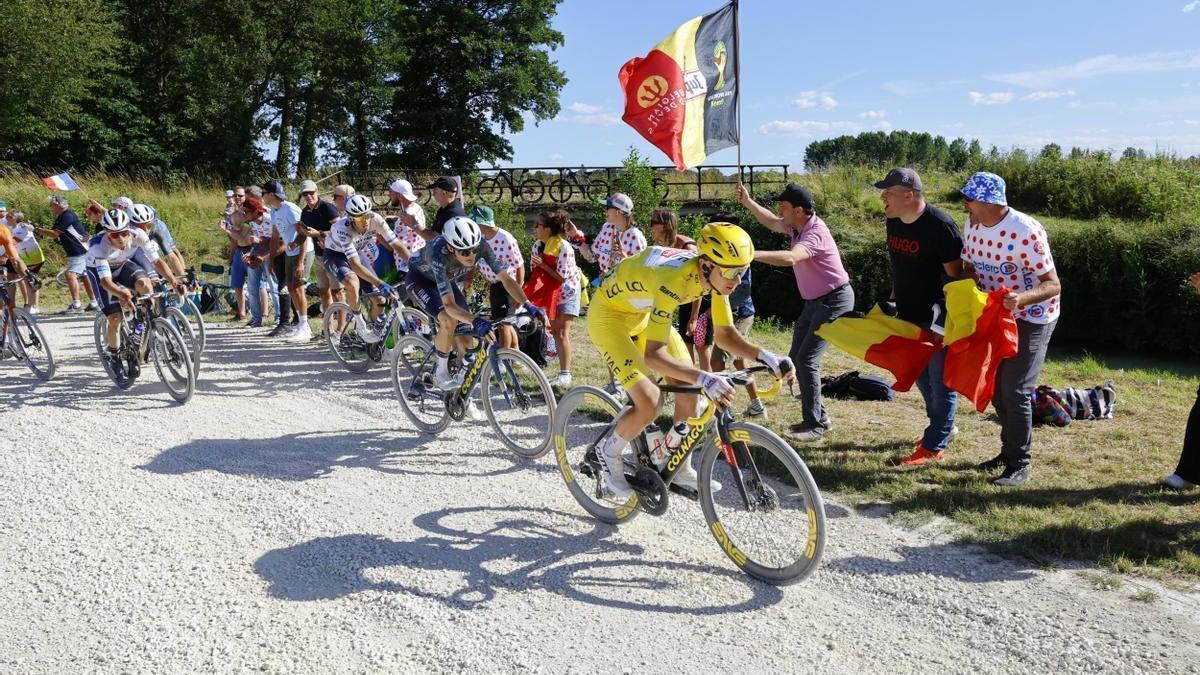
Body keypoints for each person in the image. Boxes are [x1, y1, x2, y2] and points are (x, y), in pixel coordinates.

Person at [588, 222, 795, 498]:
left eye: (743, 271)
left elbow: (725, 335)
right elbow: (654, 355)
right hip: (609, 318)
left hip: (641, 316)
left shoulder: (714, 279)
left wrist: (768, 357)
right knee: (650, 401)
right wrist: (705, 376)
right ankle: (608, 451)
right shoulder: (673, 280)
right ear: (707, 264)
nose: (737, 279)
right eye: (732, 271)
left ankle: (680, 467)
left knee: (690, 390)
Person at [958, 172, 1062, 486]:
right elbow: (969, 265)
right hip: (995, 317)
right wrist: (969, 289)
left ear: (989, 202)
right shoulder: (972, 223)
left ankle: (1020, 465)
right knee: (996, 388)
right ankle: (1008, 452)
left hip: (1034, 316)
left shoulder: (1025, 231)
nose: (964, 205)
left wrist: (1021, 299)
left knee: (1015, 390)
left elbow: (1053, 285)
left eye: (969, 199)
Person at [738, 182, 854, 441]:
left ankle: (814, 426)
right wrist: (747, 202)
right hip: (815, 302)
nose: (780, 210)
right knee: (795, 357)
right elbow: (771, 221)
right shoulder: (797, 226)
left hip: (835, 300)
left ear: (799, 210)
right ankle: (821, 416)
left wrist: (750, 255)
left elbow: (792, 258)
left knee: (806, 360)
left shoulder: (815, 232)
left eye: (784, 207)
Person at [875, 168, 965, 466]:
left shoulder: (941, 227)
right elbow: (901, 266)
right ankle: (942, 428)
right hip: (909, 314)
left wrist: (943, 323)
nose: (882, 197)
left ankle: (934, 445)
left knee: (941, 383)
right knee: (920, 376)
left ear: (909, 195)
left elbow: (956, 279)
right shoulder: (894, 221)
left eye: (888, 192)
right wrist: (892, 297)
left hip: (938, 317)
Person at [404, 216, 542, 396]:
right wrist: (476, 320)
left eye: (474, 250)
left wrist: (528, 305)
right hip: (420, 280)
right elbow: (450, 305)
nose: (471, 256)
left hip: (446, 280)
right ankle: (440, 372)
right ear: (452, 248)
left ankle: (459, 395)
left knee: (467, 341)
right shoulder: (438, 254)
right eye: (465, 252)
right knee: (448, 319)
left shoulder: (481, 245)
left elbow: (506, 278)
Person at [85, 209, 185, 380]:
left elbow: (157, 262)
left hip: (122, 265)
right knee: (115, 317)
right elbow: (106, 283)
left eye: (124, 233)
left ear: (128, 229)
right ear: (107, 234)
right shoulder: (98, 246)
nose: (121, 238)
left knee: (146, 284)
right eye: (115, 235)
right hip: (100, 274)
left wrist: (174, 281)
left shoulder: (138, 233)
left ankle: (143, 323)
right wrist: (123, 294)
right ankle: (114, 354)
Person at [322, 194, 412, 343]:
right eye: (360, 219)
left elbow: (397, 246)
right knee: (352, 281)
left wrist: (414, 265)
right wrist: (380, 283)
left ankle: (376, 340)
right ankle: (359, 322)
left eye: (367, 216)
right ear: (351, 219)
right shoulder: (341, 228)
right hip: (335, 255)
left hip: (357, 253)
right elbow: (355, 266)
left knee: (380, 299)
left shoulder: (376, 220)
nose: (366, 221)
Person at [646, 209, 710, 369]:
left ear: (663, 226)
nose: (650, 227)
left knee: (701, 347)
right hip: (683, 299)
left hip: (699, 300)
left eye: (652, 223)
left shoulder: (688, 248)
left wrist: (694, 317)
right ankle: (692, 385)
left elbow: (699, 282)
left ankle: (709, 389)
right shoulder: (661, 247)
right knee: (685, 347)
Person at [526, 209, 581, 387]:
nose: (534, 228)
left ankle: (565, 374)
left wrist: (543, 265)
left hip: (567, 293)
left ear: (548, 229)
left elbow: (562, 277)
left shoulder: (564, 247)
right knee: (553, 331)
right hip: (550, 294)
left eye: (538, 225)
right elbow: (535, 272)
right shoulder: (537, 246)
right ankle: (549, 360)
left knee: (562, 333)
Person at [263, 180, 314, 341]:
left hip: (304, 252)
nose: (263, 196)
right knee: (290, 288)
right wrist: (271, 259)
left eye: (264, 193)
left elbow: (304, 234)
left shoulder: (290, 209)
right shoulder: (273, 211)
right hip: (290, 253)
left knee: (298, 288)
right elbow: (275, 236)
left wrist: (300, 262)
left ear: (271, 194)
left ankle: (305, 327)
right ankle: (300, 324)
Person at [468, 205, 522, 349]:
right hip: (494, 285)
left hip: (507, 285)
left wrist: (519, 292)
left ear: (483, 223)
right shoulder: (480, 238)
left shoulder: (505, 238)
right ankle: (516, 354)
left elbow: (519, 265)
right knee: (503, 322)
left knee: (503, 324)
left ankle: (504, 357)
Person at [295, 179, 342, 321]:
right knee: (323, 293)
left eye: (311, 193)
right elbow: (304, 234)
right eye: (305, 194)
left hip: (334, 254)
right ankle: (328, 329)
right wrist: (294, 243)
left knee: (337, 293)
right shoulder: (305, 212)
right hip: (319, 256)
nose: (309, 196)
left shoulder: (327, 208)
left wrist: (318, 233)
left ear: (317, 192)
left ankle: (341, 329)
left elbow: (341, 231)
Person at [37, 195, 94, 312]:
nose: (50, 207)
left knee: (70, 274)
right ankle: (94, 302)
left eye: (52, 205)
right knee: (84, 275)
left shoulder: (67, 215)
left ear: (58, 205)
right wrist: (37, 228)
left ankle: (77, 305)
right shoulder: (61, 216)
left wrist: (36, 229)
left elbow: (54, 234)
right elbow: (52, 233)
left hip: (79, 250)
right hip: (79, 250)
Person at [579, 193, 646, 275]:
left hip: (624, 285)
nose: (605, 210)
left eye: (607, 208)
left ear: (619, 212)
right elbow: (593, 257)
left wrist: (624, 259)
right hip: (607, 284)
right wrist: (578, 241)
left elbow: (641, 270)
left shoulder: (635, 236)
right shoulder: (607, 228)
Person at [215, 200, 256, 321]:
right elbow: (234, 239)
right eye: (236, 195)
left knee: (257, 285)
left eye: (241, 195)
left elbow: (242, 236)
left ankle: (262, 314)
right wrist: (231, 256)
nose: (238, 198)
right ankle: (241, 312)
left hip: (250, 249)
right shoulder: (233, 215)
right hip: (239, 250)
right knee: (237, 284)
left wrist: (226, 229)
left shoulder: (249, 215)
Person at [382, 179, 427, 285]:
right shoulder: (415, 207)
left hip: (407, 267)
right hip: (420, 259)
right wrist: (395, 219)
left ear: (400, 195)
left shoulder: (405, 216)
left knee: (393, 297)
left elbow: (394, 246)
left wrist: (378, 234)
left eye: (391, 192)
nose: (389, 195)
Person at [242, 196, 278, 327]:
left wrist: (260, 245)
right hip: (259, 250)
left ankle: (278, 317)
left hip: (272, 251)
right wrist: (250, 254)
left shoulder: (269, 219)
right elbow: (259, 242)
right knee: (252, 285)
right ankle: (256, 318)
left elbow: (276, 241)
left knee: (273, 285)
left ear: (256, 211)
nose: (244, 214)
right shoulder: (252, 223)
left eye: (246, 211)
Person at [9, 212, 46, 313]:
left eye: (8, 217)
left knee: (30, 281)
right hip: (29, 258)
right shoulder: (16, 227)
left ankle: (32, 306)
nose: (6, 219)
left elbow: (14, 242)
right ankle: (34, 306)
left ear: (13, 218)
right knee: (31, 281)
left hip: (33, 258)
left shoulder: (21, 228)